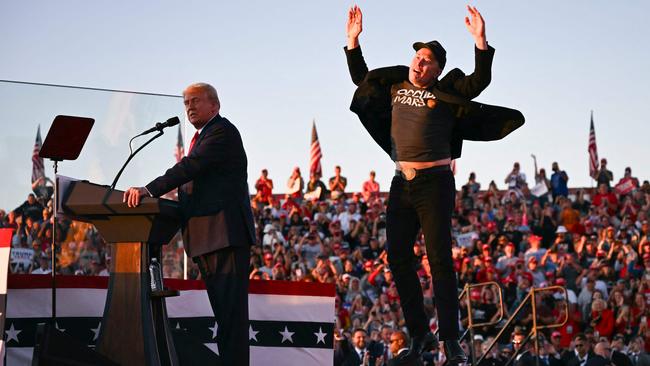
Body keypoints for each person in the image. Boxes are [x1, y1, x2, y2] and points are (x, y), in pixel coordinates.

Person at [344, 4, 523, 364]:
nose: (418, 63)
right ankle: (420, 334)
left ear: (437, 68)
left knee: (439, 261)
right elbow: (361, 80)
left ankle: (451, 341)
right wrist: (352, 41)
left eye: (427, 60)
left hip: (435, 183)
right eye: (417, 57)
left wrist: (480, 41)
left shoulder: (445, 91)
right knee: (396, 257)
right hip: (401, 183)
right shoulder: (394, 85)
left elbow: (478, 82)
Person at [123, 82, 255, 366]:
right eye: (186, 103)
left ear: (214, 106)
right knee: (225, 316)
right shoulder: (205, 135)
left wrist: (150, 190)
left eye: (196, 101)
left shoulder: (221, 132)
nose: (190, 107)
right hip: (210, 238)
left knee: (231, 320)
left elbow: (190, 167)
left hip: (224, 237)